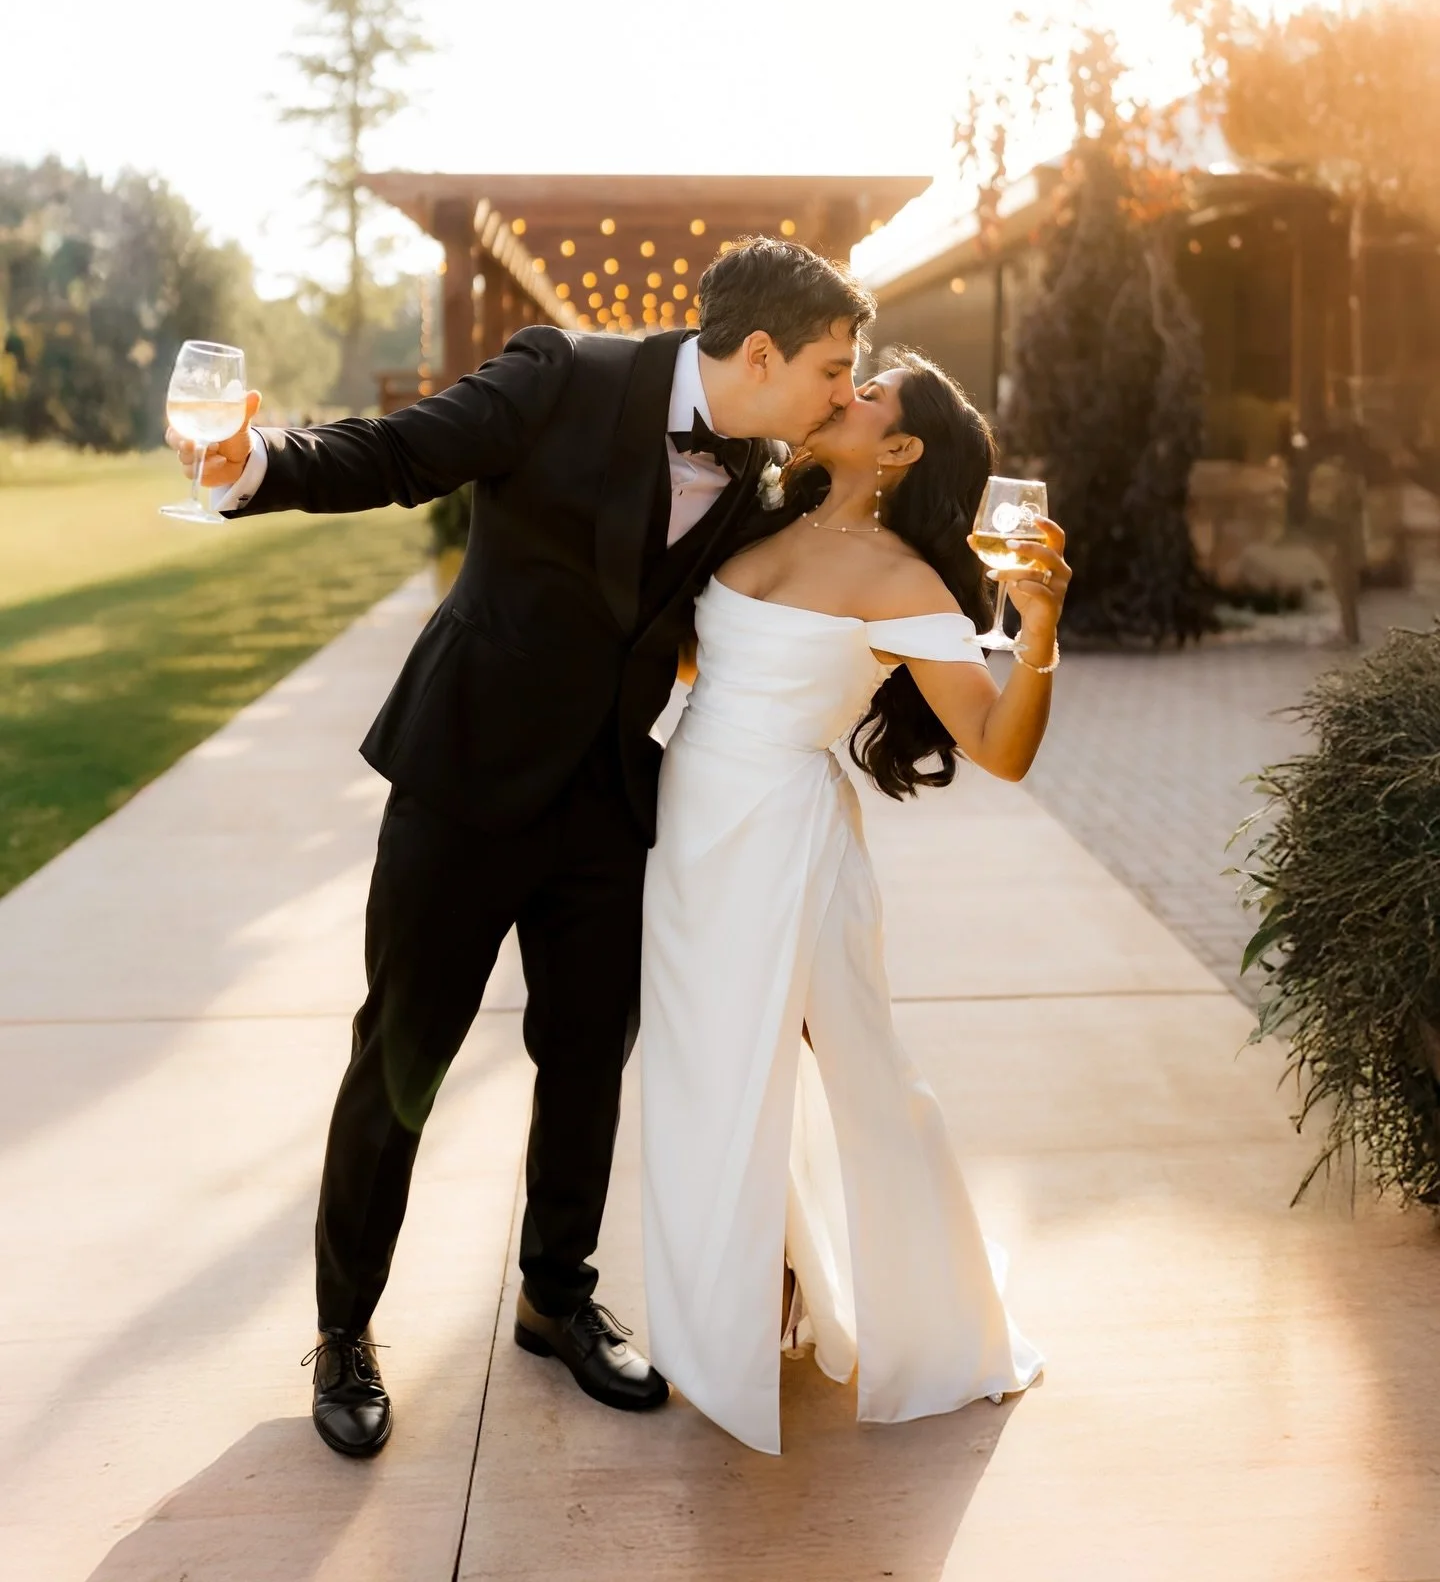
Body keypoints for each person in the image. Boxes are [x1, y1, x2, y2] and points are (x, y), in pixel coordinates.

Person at [165, 237, 870, 1457]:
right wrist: (254, 461)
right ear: (759, 355)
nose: (842, 396)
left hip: (607, 799)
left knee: (588, 1055)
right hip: (464, 776)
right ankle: (343, 1331)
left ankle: (557, 1293)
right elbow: (395, 454)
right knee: (402, 1057)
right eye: (832, 369)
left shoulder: (759, 472)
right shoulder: (562, 373)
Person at [640, 349, 1070, 1454]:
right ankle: (758, 1288)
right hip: (690, 829)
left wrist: (1041, 633)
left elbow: (998, 748)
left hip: (789, 839)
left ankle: (935, 1315)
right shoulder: (751, 516)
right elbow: (692, 662)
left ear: (902, 447)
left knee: (851, 1073)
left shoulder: (905, 583)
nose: (844, 390)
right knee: (706, 1078)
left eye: (869, 389)